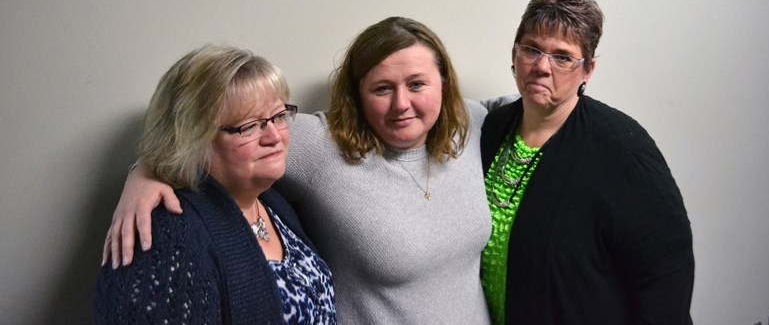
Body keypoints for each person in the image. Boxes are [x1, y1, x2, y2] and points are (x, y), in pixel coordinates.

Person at [103, 18, 494, 324]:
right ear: (357, 95)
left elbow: (544, 104)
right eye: (381, 89)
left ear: (445, 83)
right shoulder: (320, 145)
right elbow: (197, 134)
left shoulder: (473, 123)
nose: (401, 104)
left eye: (417, 83)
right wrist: (147, 174)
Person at [480, 0, 694, 324]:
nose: (542, 67)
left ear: (588, 70)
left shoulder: (621, 147)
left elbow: (665, 274)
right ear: (514, 54)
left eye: (562, 57)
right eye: (531, 50)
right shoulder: (492, 130)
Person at [95, 44, 337, 324]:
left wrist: (141, 171)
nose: (274, 136)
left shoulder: (271, 200)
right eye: (249, 126)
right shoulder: (168, 239)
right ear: (193, 139)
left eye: (279, 116)